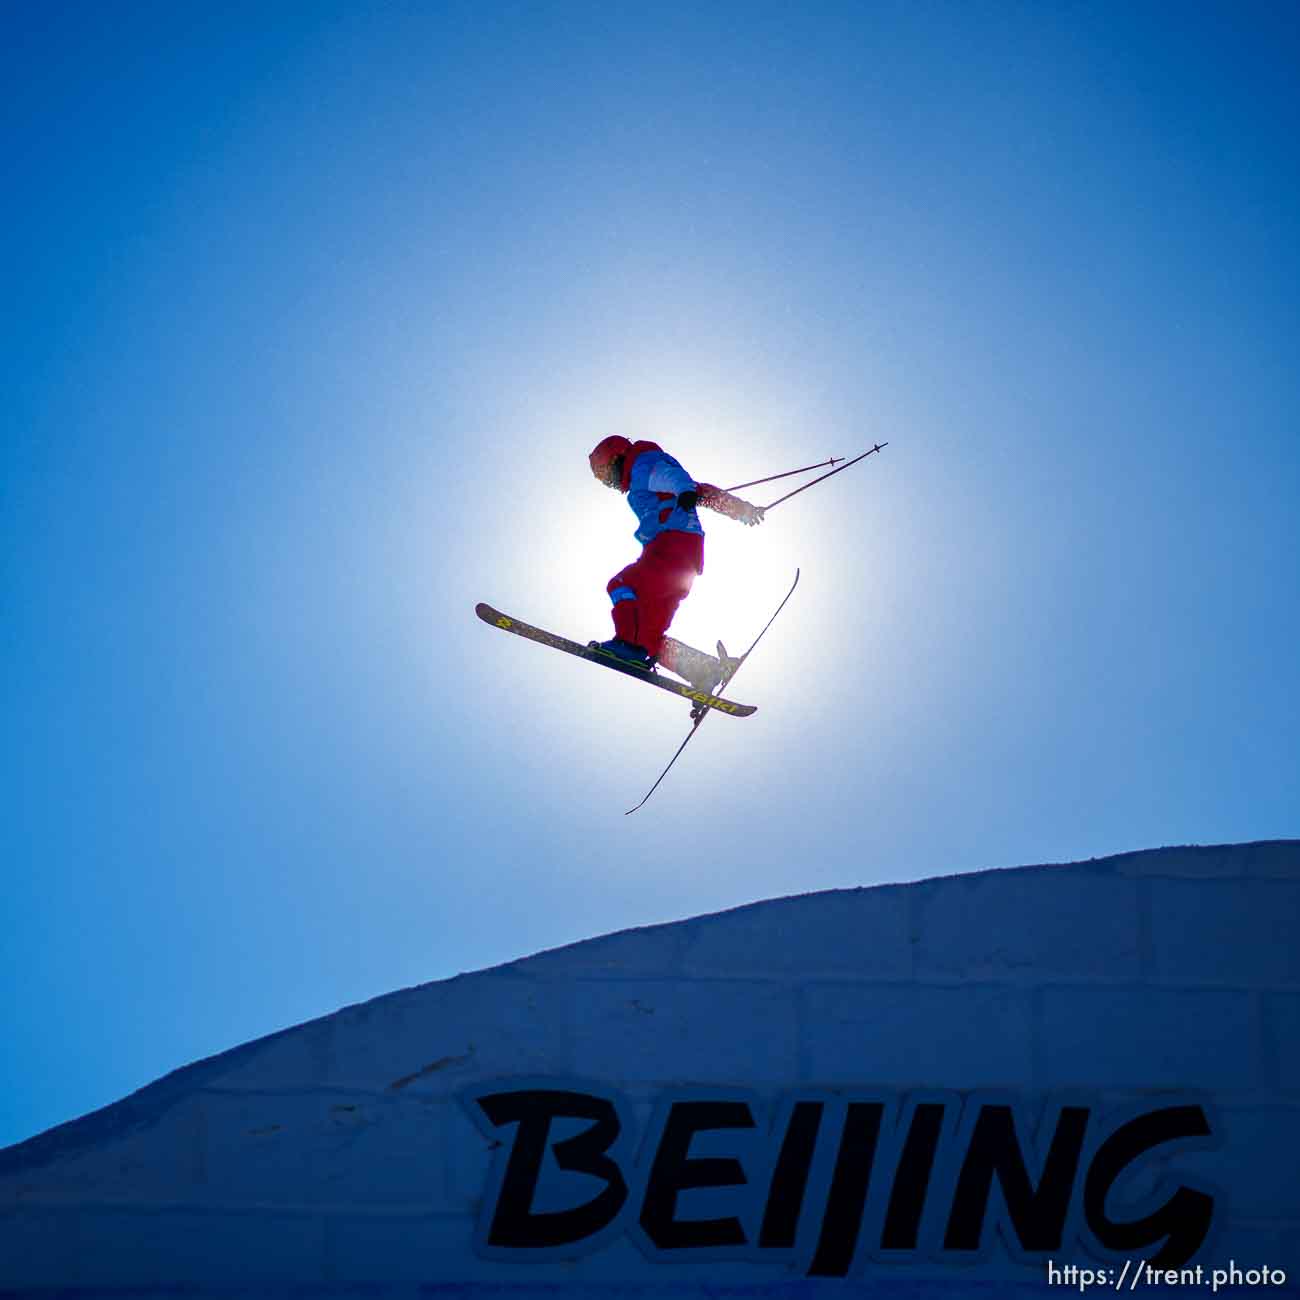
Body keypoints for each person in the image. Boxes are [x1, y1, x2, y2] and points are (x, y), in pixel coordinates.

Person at [587, 435, 764, 694]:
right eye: (600, 479)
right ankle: (705, 671)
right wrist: (741, 510)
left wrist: (684, 490)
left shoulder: (641, 464)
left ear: (615, 457)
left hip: (669, 546)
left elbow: (674, 478)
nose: (606, 482)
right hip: (684, 559)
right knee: (649, 638)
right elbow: (703, 492)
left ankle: (626, 646)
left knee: (621, 585)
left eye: (603, 473)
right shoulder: (644, 474)